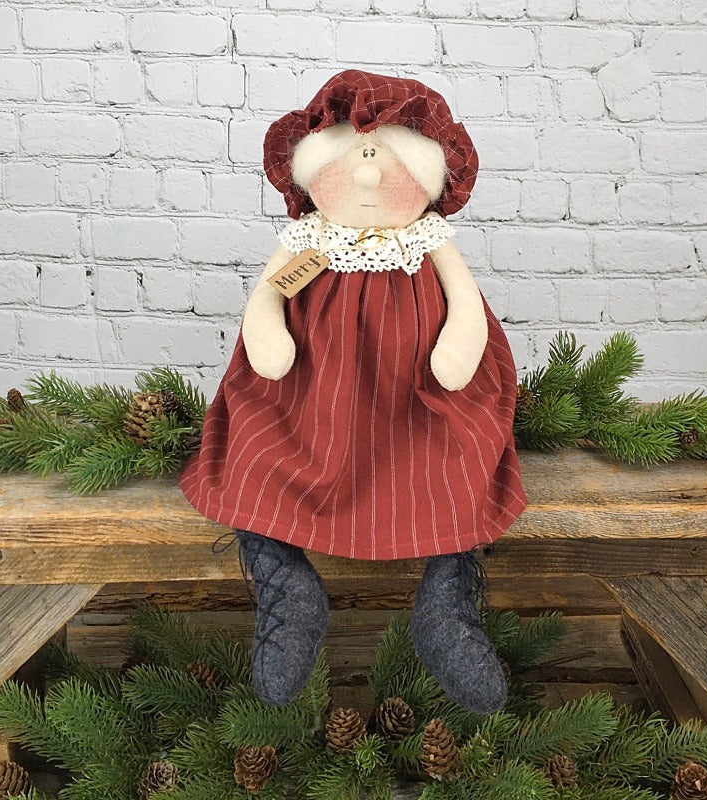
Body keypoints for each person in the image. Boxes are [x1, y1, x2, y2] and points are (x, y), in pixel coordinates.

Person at [178, 69, 528, 713]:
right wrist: (268, 334)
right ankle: (286, 588)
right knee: (256, 453)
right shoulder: (310, 241)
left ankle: (447, 602)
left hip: (421, 399)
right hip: (307, 402)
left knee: (459, 456)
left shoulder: (425, 239)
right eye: (354, 156)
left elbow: (465, 303)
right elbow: (270, 295)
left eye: (387, 158)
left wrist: (457, 349)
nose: (369, 172)